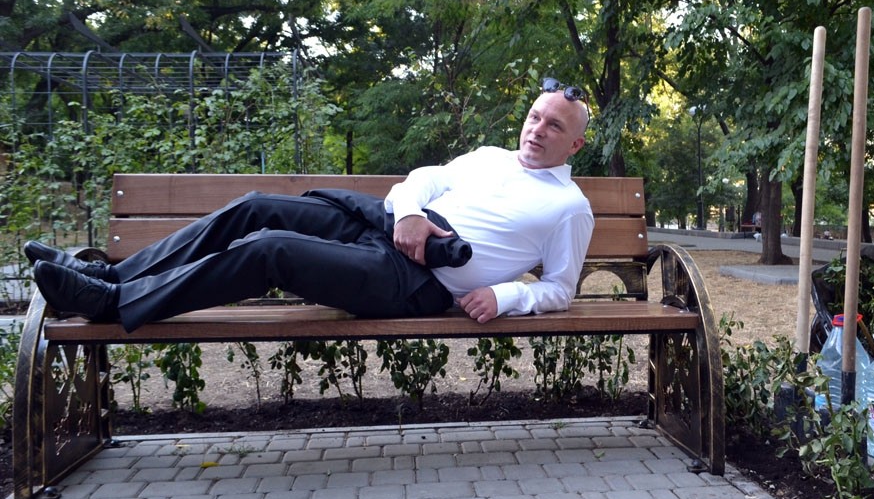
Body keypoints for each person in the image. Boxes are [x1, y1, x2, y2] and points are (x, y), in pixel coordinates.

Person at [26, 78, 596, 332]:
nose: (537, 130)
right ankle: (113, 276)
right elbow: (424, 179)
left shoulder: (568, 207)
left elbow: (561, 288)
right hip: (387, 228)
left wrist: (507, 295)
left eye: (554, 126)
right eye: (535, 116)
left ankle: (113, 305)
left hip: (417, 283)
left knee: (271, 249)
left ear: (575, 144)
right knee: (255, 207)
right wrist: (409, 214)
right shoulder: (490, 156)